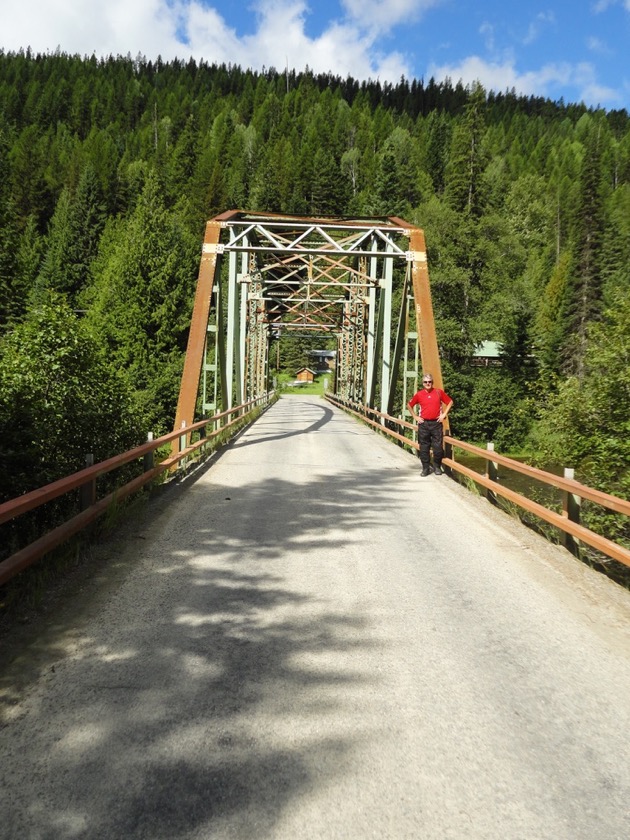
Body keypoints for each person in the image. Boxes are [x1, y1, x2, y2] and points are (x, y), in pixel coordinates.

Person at [407, 373, 453, 476]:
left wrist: (444, 414)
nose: (428, 383)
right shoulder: (419, 394)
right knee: (424, 447)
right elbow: (409, 405)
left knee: (437, 447)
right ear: (422, 383)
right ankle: (425, 468)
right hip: (424, 423)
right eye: (425, 382)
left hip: (436, 423)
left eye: (430, 382)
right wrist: (415, 417)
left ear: (432, 382)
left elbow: (450, 402)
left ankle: (437, 466)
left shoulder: (438, 392)